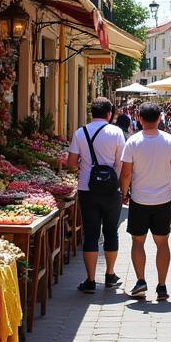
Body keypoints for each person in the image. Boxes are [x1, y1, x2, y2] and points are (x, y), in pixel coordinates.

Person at [119, 102, 171, 301]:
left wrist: (124, 192)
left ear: (139, 118)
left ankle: (140, 281)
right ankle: (162, 286)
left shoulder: (133, 141)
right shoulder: (170, 141)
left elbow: (126, 172)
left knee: (138, 241)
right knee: (162, 242)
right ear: (159, 119)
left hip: (139, 199)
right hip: (163, 200)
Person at [66, 97, 127, 293]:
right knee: (111, 231)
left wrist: (85, 166)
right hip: (112, 189)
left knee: (91, 232)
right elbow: (122, 163)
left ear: (91, 112)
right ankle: (110, 274)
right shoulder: (116, 132)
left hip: (87, 189)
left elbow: (71, 163)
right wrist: (122, 187)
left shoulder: (80, 132)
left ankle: (90, 280)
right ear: (109, 114)